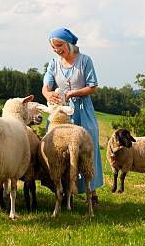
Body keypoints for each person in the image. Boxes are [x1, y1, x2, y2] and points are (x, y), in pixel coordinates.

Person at [42, 27, 104, 205]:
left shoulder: (85, 61)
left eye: (59, 45)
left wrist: (72, 94)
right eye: (54, 47)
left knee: (86, 148)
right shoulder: (54, 63)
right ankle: (61, 191)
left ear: (69, 44)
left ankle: (91, 192)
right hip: (60, 112)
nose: (56, 50)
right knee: (57, 149)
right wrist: (48, 95)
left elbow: (93, 86)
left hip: (82, 110)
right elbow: (46, 85)